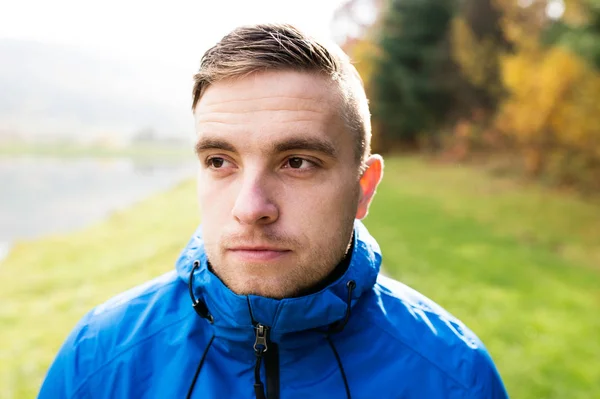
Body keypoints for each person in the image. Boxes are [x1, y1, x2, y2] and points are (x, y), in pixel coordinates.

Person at [38, 23, 508, 399]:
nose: (250, 208)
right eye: (220, 161)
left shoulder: (454, 376)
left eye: (298, 162)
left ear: (363, 189)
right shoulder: (98, 362)